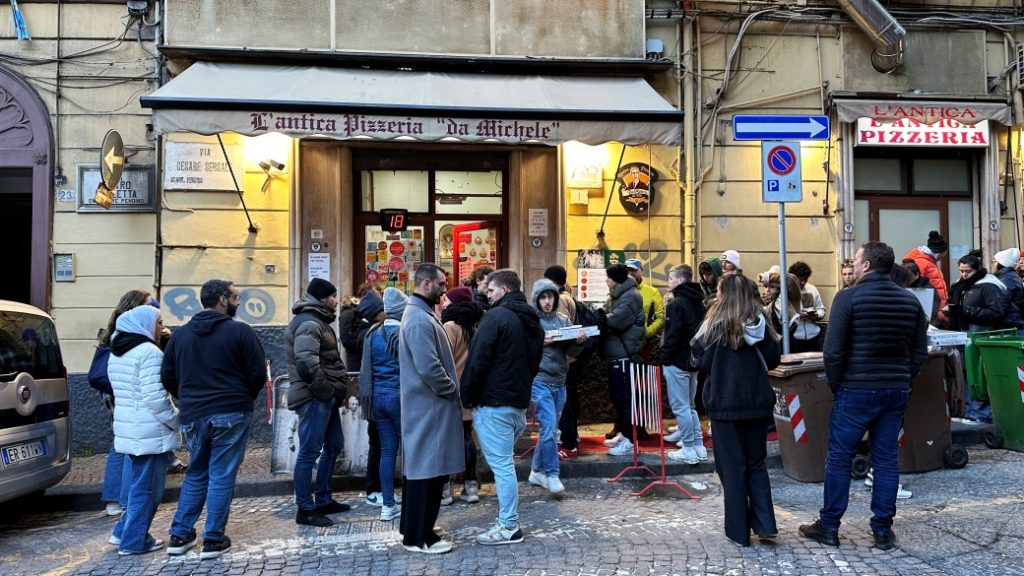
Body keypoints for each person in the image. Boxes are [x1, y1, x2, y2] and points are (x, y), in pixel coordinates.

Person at [799, 241, 928, 551]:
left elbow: (832, 351)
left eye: (856, 261)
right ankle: (883, 530)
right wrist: (902, 377)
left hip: (855, 389)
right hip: (895, 391)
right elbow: (919, 352)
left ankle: (829, 526)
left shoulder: (848, 298)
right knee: (885, 460)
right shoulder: (910, 302)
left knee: (840, 457)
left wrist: (837, 384)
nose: (853, 266)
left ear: (867, 265)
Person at [161, 279, 267, 560]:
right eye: (235, 296)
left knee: (197, 472)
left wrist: (187, 400)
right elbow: (257, 373)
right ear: (222, 299)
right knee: (221, 473)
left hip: (194, 414)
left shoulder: (180, 337)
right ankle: (213, 538)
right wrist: (244, 398)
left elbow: (168, 378)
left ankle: (179, 535)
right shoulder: (240, 332)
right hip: (231, 411)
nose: (238, 301)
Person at [690, 272, 781, 547]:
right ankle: (765, 524)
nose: (716, 295)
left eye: (719, 291)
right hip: (756, 404)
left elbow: (700, 361)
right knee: (756, 464)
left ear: (725, 295)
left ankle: (739, 532)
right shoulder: (761, 322)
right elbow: (773, 359)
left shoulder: (716, 325)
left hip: (725, 405)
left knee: (732, 469)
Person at [461, 269, 544, 545]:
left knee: (503, 467)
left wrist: (467, 396)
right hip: (517, 402)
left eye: (491, 290)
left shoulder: (496, 317)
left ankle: (508, 526)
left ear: (505, 290)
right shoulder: (532, 320)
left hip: (495, 403)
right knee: (504, 464)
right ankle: (507, 523)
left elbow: (477, 360)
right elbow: (534, 362)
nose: (487, 294)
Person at [398, 264, 464, 554]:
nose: (444, 289)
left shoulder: (420, 315)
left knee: (425, 472)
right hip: (430, 408)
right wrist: (451, 390)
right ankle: (419, 537)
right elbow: (429, 366)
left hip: (427, 407)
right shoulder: (419, 319)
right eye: (441, 283)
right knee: (427, 472)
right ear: (425, 284)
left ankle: (415, 529)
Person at [108, 306, 179, 555]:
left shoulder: (118, 352)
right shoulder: (149, 352)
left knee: (140, 486)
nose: (161, 326)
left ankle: (121, 533)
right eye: (158, 322)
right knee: (148, 490)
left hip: (131, 428)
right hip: (149, 430)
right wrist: (175, 420)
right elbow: (156, 398)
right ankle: (134, 541)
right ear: (143, 325)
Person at [286, 278, 351, 527]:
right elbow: (306, 363)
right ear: (323, 298)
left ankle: (323, 498)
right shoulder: (309, 323)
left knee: (334, 445)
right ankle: (305, 508)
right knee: (309, 453)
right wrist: (326, 391)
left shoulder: (319, 321)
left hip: (325, 397)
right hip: (314, 398)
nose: (336, 300)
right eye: (333, 296)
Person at [90, 290, 153, 518]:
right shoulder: (130, 331)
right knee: (127, 443)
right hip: (121, 390)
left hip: (112, 389)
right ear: (135, 307)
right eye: (148, 305)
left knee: (120, 442)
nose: (152, 309)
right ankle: (124, 499)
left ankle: (114, 499)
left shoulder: (115, 328)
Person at [527, 278, 586, 495]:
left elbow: (572, 352)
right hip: (540, 380)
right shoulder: (531, 322)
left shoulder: (563, 319)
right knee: (550, 428)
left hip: (560, 381)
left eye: (550, 296)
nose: (547, 301)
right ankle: (552, 474)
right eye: (543, 297)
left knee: (549, 430)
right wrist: (538, 343)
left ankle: (536, 470)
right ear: (536, 299)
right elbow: (521, 349)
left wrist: (580, 342)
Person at [359, 287, 408, 522]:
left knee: (387, 451)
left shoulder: (372, 333)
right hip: (401, 399)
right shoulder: (406, 333)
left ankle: (387, 505)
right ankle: (411, 500)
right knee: (410, 452)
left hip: (377, 399)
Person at [945, 253, 1007, 423]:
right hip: (961, 334)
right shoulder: (959, 284)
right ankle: (969, 411)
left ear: (977, 269)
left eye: (967, 271)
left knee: (977, 375)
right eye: (961, 271)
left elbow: (995, 312)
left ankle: (980, 413)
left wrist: (963, 311)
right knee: (963, 373)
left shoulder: (988, 286)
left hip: (979, 335)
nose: (963, 275)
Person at [341, 289, 386, 507]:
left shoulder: (367, 330)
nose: (385, 312)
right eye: (382, 309)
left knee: (378, 441)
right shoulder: (369, 333)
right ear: (376, 313)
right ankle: (374, 488)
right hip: (374, 394)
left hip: (374, 394)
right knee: (377, 442)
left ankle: (377, 487)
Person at [440, 286, 484, 505]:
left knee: (448, 440)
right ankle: (471, 486)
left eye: (447, 300)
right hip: (470, 390)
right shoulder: (474, 327)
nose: (444, 303)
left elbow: (442, 356)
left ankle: (446, 489)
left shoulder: (450, 326)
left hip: (451, 390)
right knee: (467, 438)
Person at [660, 264, 707, 464]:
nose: (668, 282)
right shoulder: (700, 303)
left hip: (677, 362)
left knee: (681, 407)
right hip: (693, 361)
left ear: (680, 280)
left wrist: (664, 358)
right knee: (691, 406)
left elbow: (672, 336)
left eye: (671, 278)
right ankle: (698, 446)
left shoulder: (676, 304)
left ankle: (688, 448)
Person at [600, 264, 646, 456]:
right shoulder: (619, 295)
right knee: (619, 398)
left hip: (625, 355)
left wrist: (599, 317)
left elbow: (615, 321)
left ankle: (630, 439)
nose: (606, 281)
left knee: (625, 399)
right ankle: (624, 434)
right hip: (617, 353)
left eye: (608, 278)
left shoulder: (630, 296)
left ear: (616, 280)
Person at [903, 230, 950, 324]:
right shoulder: (922, 262)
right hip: (930, 315)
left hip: (933, 313)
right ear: (942, 252)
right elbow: (916, 289)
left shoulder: (927, 261)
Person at [786, 261, 826, 353]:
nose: (803, 282)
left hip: (814, 337)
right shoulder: (785, 291)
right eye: (800, 279)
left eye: (806, 279)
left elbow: (821, 309)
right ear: (793, 277)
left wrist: (816, 315)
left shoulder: (812, 289)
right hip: (794, 338)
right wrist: (796, 314)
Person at [992, 248, 1024, 335]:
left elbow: (1001, 304)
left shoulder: (1008, 279)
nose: (993, 264)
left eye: (994, 261)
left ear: (1000, 263)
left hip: (1010, 327)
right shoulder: (1007, 277)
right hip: (1010, 325)